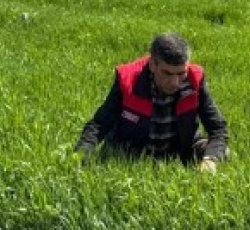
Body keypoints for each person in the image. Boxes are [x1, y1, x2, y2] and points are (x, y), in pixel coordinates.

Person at [75, 32, 228, 171]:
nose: (175, 82)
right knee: (109, 161)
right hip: (132, 153)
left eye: (181, 73)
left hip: (180, 150)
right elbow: (99, 124)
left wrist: (210, 160)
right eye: (167, 73)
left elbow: (217, 128)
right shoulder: (127, 80)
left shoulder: (195, 80)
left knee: (222, 152)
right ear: (152, 64)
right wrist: (79, 156)